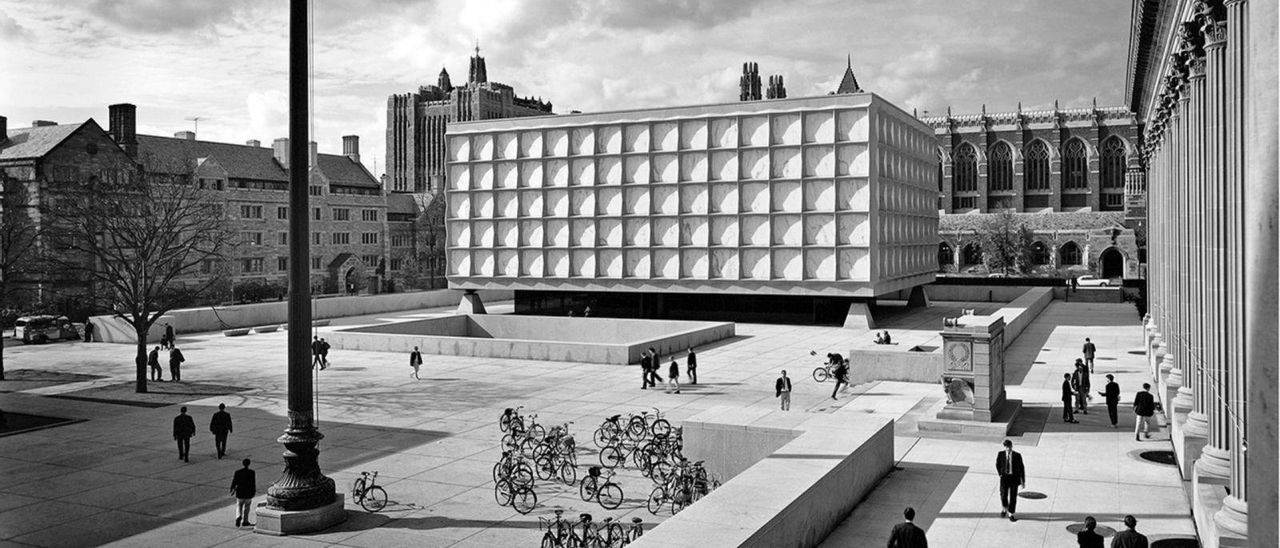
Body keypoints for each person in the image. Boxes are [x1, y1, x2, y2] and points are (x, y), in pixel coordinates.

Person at [995, 439, 1025, 522]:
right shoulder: (1000, 454)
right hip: (1004, 478)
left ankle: (1011, 513)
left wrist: (1023, 480)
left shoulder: (1017, 455)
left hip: (1014, 478)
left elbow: (1022, 468)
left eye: (1008, 446)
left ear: (1011, 446)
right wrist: (1000, 473)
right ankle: (1004, 508)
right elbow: (997, 464)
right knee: (1003, 494)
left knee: (1013, 496)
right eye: (1006, 447)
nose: (1007, 448)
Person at [230, 458, 257, 527]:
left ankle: (238, 516)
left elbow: (234, 481)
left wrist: (232, 488)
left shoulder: (238, 472)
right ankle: (245, 521)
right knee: (247, 508)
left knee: (239, 505)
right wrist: (253, 491)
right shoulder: (252, 472)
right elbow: (253, 483)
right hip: (248, 493)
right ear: (249, 464)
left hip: (240, 492)